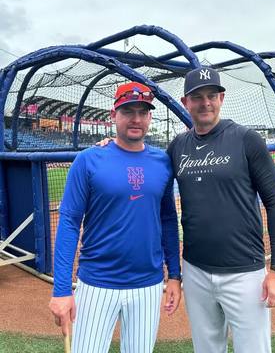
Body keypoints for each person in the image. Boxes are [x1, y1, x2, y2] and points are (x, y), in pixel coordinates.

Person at [49, 81, 181, 353]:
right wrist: (61, 290)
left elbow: (168, 219)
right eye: (128, 111)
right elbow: (69, 224)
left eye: (142, 112)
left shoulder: (163, 162)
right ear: (113, 115)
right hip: (97, 283)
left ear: (150, 117)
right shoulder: (88, 160)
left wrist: (175, 275)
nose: (136, 119)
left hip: (148, 284)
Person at [167, 66, 275, 353]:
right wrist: (110, 146)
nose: (205, 102)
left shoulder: (246, 139)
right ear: (186, 102)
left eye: (212, 95)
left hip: (245, 272)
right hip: (195, 271)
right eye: (197, 97)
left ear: (222, 98)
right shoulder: (177, 147)